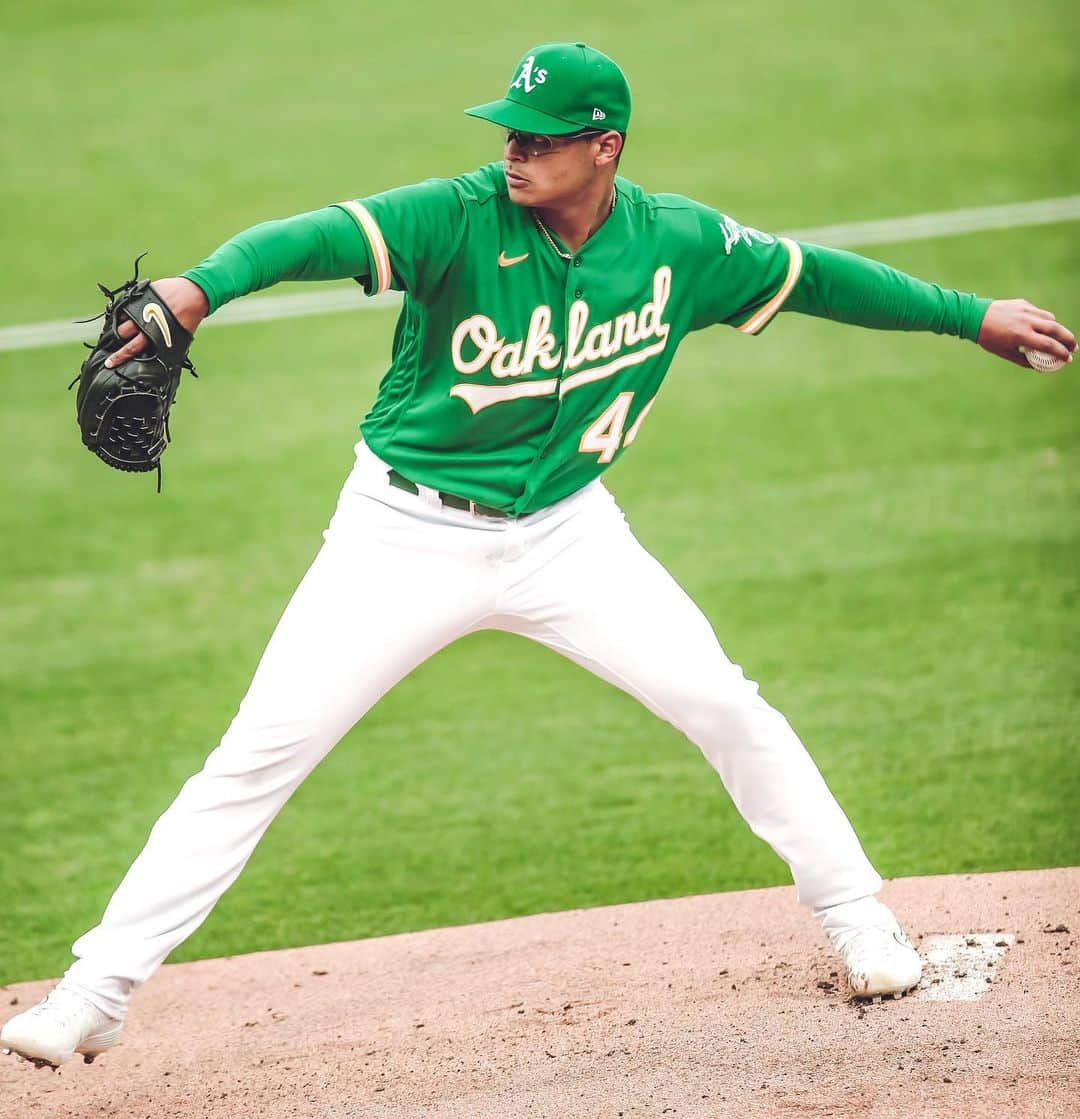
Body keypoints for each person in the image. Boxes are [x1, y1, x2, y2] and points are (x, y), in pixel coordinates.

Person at [3, 42, 1074, 1069]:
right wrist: (198, 288)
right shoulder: (457, 217)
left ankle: (860, 919)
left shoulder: (677, 244)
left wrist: (967, 315)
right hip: (402, 539)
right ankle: (95, 996)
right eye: (510, 132)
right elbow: (306, 238)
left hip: (569, 535)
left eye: (542, 138)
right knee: (257, 756)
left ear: (604, 146)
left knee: (723, 703)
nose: (515, 151)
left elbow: (819, 276)